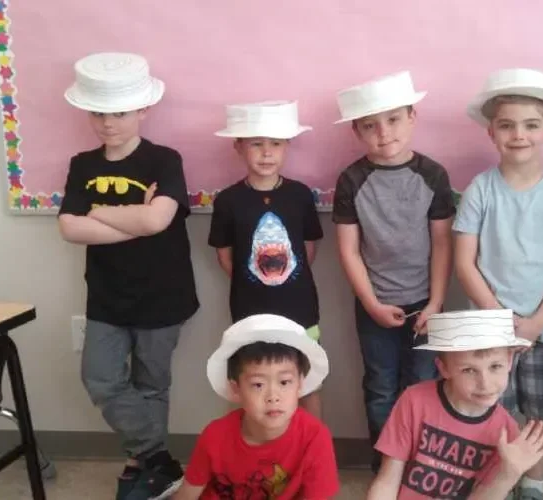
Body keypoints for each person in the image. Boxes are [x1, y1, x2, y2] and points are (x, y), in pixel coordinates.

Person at [56, 52, 200, 500]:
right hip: (105, 296)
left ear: (142, 109)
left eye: (118, 111)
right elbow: (69, 227)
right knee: (100, 377)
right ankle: (159, 459)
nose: (107, 122)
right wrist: (132, 216)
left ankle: (143, 466)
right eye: (98, 112)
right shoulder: (83, 164)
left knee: (151, 384)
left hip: (163, 295)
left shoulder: (163, 160)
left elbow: (158, 222)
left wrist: (99, 212)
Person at [453, 68, 543, 500]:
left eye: (531, 125)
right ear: (491, 132)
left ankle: (533, 485)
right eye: (507, 125)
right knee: (491, 409)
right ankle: (499, 484)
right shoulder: (479, 190)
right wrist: (500, 318)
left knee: (539, 415)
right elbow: (464, 262)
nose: (519, 134)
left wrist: (534, 323)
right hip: (489, 331)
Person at [331, 70, 457, 473]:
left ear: (412, 117)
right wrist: (370, 303)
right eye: (370, 125)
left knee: (422, 385)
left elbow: (441, 242)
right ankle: (388, 465)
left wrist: (436, 302)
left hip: (426, 303)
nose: (383, 133)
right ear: (356, 131)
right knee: (381, 386)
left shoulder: (433, 174)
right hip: (375, 306)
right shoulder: (352, 180)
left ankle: (420, 465)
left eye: (394, 119)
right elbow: (348, 249)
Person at [207, 100, 326, 419]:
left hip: (299, 307)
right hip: (250, 310)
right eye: (256, 144)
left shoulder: (300, 195)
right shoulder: (228, 201)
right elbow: (225, 255)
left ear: (287, 146)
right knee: (255, 381)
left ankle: (313, 452)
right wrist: (258, 286)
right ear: (238, 147)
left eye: (275, 144)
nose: (266, 152)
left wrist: (285, 282)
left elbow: (308, 249)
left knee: (306, 381)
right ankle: (260, 450)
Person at [367, 309, 543, 500]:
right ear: (444, 368)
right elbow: (387, 481)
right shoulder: (414, 401)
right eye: (469, 370)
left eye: (495, 366)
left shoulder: (506, 433)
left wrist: (508, 475)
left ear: (509, 361)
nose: (485, 384)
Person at [172, 314, 339, 499]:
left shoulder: (315, 438)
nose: (273, 397)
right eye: (258, 385)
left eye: (284, 382)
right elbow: (186, 495)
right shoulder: (214, 436)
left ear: (300, 384)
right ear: (236, 389)